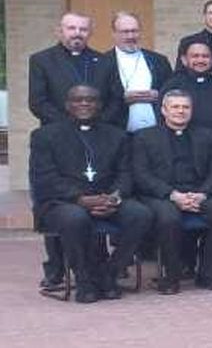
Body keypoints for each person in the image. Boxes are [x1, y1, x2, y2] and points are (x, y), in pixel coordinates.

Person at [29, 84, 153, 303]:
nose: (84, 103)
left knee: (141, 214)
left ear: (100, 105)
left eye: (91, 100)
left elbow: (125, 174)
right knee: (75, 218)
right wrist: (80, 199)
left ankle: (109, 273)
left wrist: (115, 197)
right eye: (78, 100)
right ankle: (84, 279)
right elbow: (44, 178)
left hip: (108, 198)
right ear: (67, 105)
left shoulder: (117, 136)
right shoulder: (45, 136)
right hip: (61, 202)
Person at [131, 90, 212, 293]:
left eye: (186, 107)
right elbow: (141, 174)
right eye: (175, 107)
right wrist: (173, 195)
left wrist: (203, 193)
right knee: (169, 219)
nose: (181, 111)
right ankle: (171, 276)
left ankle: (208, 273)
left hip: (200, 191)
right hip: (163, 194)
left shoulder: (207, 135)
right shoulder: (144, 137)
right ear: (164, 110)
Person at [102, 12, 173, 132]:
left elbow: (172, 91)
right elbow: (98, 98)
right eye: (125, 32)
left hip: (157, 134)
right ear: (114, 34)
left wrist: (159, 95)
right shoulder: (102, 63)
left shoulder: (159, 61)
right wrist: (122, 98)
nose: (130, 36)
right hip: (117, 133)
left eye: (134, 31)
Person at [161, 41, 212, 135]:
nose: (200, 60)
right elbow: (162, 117)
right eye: (195, 56)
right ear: (184, 60)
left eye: (205, 56)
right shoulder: (172, 85)